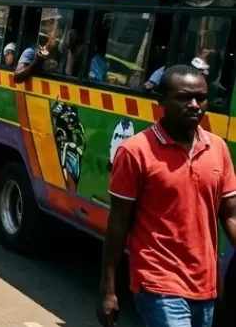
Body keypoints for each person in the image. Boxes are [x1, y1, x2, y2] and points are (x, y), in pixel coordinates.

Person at [98, 66, 236, 327]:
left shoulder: (218, 148)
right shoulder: (135, 152)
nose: (195, 105)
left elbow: (230, 214)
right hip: (157, 281)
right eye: (184, 98)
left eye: (201, 97)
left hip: (205, 284)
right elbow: (118, 223)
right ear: (161, 100)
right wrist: (107, 288)